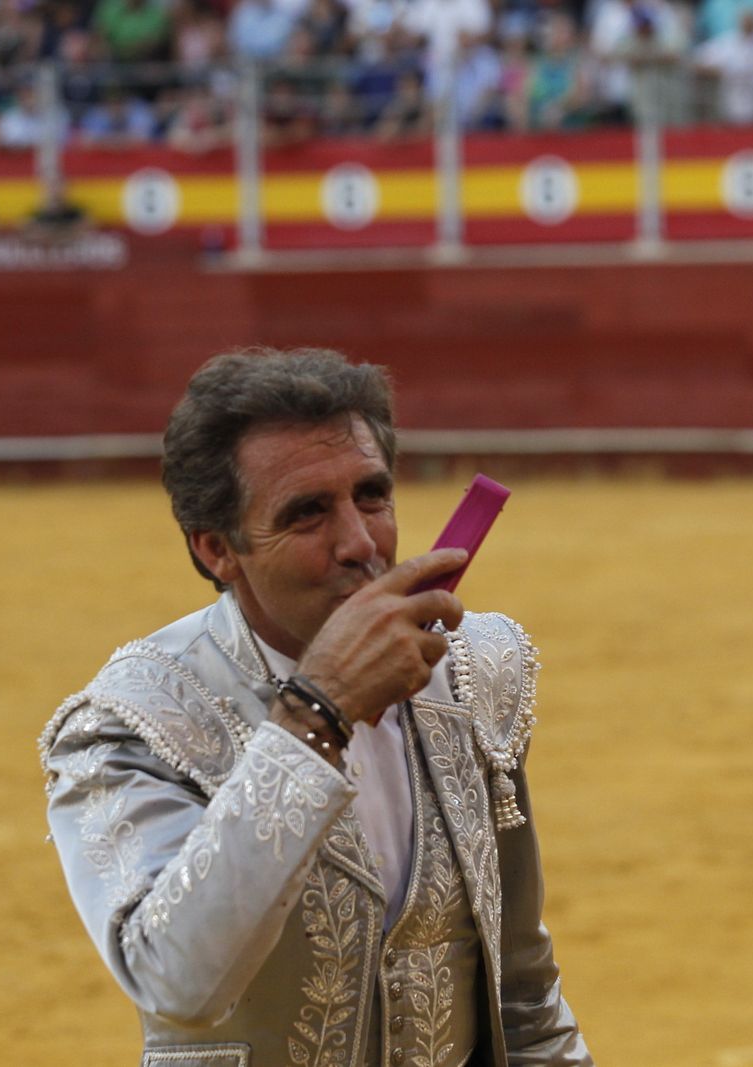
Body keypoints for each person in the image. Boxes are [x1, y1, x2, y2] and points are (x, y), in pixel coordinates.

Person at [39, 348, 596, 1067]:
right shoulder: (133, 721)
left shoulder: (472, 669)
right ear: (217, 549)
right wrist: (316, 713)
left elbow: (521, 993)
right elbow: (176, 979)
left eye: (372, 494)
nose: (361, 543)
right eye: (307, 513)